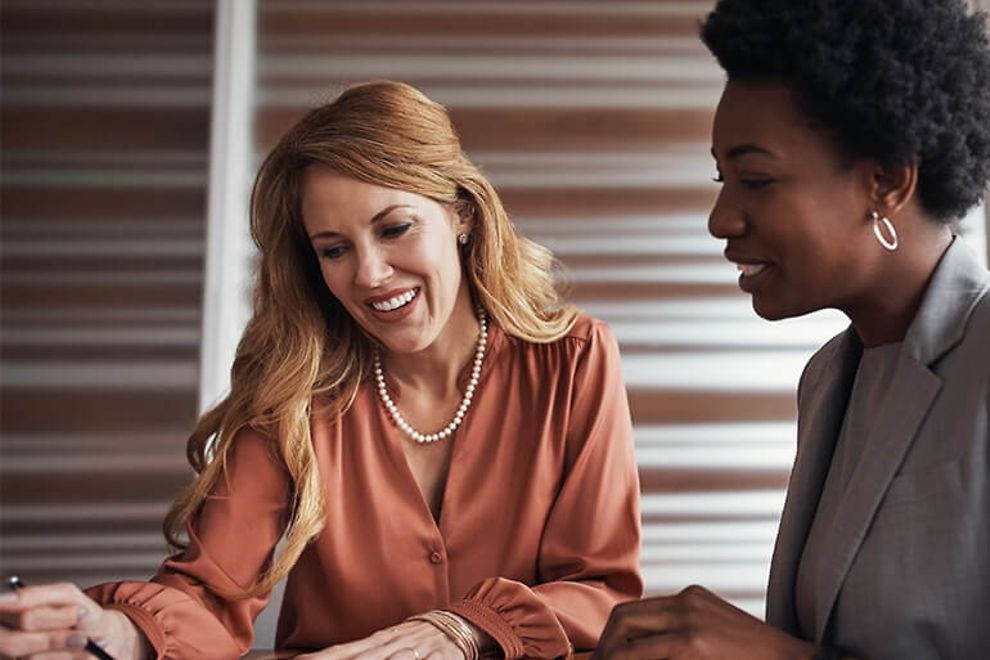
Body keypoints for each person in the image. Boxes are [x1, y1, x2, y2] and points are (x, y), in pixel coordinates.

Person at [0, 81, 643, 659]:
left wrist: (463, 628)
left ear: (462, 214)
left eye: (394, 229)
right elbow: (210, 595)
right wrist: (115, 632)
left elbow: (601, 591)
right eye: (334, 249)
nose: (369, 275)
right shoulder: (292, 390)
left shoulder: (574, 359)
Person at [593, 0, 990, 659]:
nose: (721, 219)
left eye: (756, 180)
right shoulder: (830, 376)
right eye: (722, 179)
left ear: (885, 182)